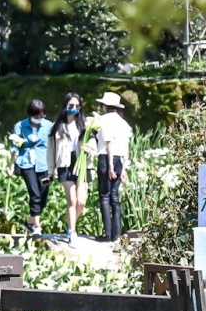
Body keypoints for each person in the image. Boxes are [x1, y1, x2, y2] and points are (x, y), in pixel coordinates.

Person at [8, 100, 53, 235]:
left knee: (43, 198)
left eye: (42, 116)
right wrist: (11, 166)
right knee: (35, 195)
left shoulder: (49, 125)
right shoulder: (20, 126)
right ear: (30, 114)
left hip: (43, 163)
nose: (39, 119)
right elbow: (14, 147)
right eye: (36, 116)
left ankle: (29, 222)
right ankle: (37, 227)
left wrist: (54, 166)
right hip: (26, 163)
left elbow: (52, 146)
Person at [48, 92, 88, 240]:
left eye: (77, 106)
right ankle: (72, 231)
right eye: (71, 105)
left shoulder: (85, 125)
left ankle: (71, 224)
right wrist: (51, 171)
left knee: (81, 201)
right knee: (72, 199)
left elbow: (93, 144)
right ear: (65, 106)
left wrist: (90, 149)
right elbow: (51, 150)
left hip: (82, 163)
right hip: (65, 163)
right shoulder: (57, 126)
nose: (74, 108)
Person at [94, 91, 132, 242]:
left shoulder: (104, 120)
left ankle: (107, 234)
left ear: (105, 106)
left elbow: (108, 143)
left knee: (104, 196)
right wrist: (123, 168)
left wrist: (109, 165)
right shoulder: (123, 123)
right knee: (115, 196)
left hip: (106, 158)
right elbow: (126, 147)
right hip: (120, 160)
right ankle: (116, 234)